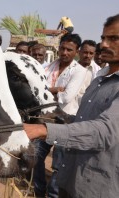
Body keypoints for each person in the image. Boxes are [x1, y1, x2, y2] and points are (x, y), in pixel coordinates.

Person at [24, 14, 119, 198]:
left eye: (114, 38)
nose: (105, 45)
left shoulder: (86, 74)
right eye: (103, 38)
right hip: (72, 179)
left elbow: (104, 132)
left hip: (97, 188)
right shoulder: (100, 79)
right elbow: (83, 120)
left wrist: (44, 130)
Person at [34, 33, 89, 198]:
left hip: (66, 120)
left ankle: (53, 194)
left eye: (69, 50)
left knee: (58, 164)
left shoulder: (80, 71)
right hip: (46, 118)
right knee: (36, 157)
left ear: (76, 51)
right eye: (62, 48)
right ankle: (38, 190)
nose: (64, 52)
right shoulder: (49, 67)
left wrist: (46, 91)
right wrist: (55, 89)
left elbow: (65, 98)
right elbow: (35, 92)